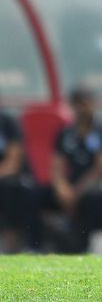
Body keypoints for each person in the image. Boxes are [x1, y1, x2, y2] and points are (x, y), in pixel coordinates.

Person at [48, 85, 102, 252]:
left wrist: (77, 191)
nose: (82, 109)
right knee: (35, 194)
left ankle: (86, 245)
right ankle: (34, 245)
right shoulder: (66, 133)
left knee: (91, 197)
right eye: (78, 104)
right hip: (72, 184)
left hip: (98, 184)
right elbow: (56, 165)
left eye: (85, 104)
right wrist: (61, 187)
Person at [0, 104, 28, 252]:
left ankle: (11, 248)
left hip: (7, 177)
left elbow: (13, 163)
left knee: (8, 188)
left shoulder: (7, 122)